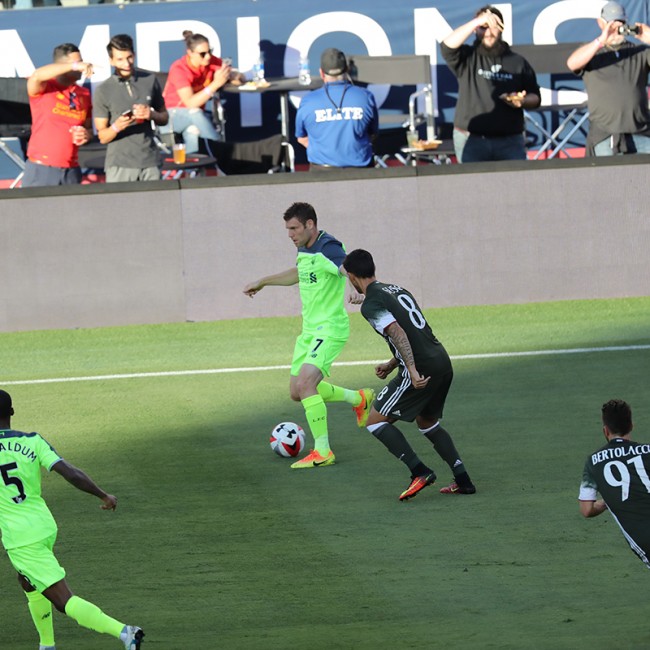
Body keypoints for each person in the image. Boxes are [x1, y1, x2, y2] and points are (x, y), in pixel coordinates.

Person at [0, 390, 144, 649]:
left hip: (21, 537)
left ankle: (125, 632)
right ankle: (47, 645)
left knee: (62, 600)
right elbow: (71, 473)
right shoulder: (32, 441)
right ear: (11, 412)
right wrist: (103, 494)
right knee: (27, 580)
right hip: (43, 526)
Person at [243, 202, 375, 468]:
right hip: (309, 331)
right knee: (297, 391)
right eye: (288, 229)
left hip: (329, 329)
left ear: (310, 224)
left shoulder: (329, 247)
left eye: (294, 228)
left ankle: (323, 451)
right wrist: (264, 281)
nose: (290, 234)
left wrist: (357, 289)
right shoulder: (304, 248)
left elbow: (346, 268)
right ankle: (358, 398)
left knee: (306, 385)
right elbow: (300, 273)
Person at [342, 249, 475, 501]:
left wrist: (411, 371)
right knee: (427, 423)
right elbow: (414, 331)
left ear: (351, 276)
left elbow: (399, 333)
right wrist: (392, 363)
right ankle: (464, 480)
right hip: (440, 360)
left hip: (421, 368)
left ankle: (420, 472)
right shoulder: (396, 290)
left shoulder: (371, 305)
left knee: (375, 421)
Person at [441, 5, 541, 163]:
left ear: (501, 29)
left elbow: (535, 97)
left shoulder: (518, 62)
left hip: (510, 141)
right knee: (473, 186)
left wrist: (521, 101)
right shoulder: (467, 57)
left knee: (516, 185)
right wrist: (477, 21)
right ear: (475, 30)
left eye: (493, 27)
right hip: (470, 138)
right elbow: (446, 46)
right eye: (483, 27)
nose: (488, 32)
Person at [566, 1, 650, 156]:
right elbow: (572, 63)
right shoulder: (593, 53)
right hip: (605, 135)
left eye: (620, 24)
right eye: (611, 25)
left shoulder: (640, 52)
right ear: (601, 23)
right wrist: (601, 40)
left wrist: (649, 37)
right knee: (607, 179)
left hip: (641, 132)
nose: (615, 30)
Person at [579, 399, 650, 569]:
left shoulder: (593, 463)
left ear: (605, 430)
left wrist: (607, 502)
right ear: (631, 425)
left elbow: (586, 509)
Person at [93, 34, 169, 183]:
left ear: (134, 55)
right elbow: (102, 136)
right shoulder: (103, 90)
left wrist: (151, 114)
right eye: (120, 59)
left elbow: (164, 117)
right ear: (111, 61)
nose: (126, 63)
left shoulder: (149, 79)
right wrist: (116, 127)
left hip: (150, 162)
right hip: (120, 165)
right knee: (120, 206)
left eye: (129, 57)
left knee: (156, 205)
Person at [22, 43, 93, 187]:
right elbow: (36, 76)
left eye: (81, 61)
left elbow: (89, 129)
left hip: (71, 170)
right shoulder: (45, 86)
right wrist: (74, 66)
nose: (82, 66)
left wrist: (86, 135)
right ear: (62, 66)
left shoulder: (83, 93)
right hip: (42, 168)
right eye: (78, 62)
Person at [162, 31, 245, 154]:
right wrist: (215, 84)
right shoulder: (179, 69)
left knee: (193, 131)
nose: (208, 56)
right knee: (195, 113)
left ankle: (193, 170)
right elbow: (190, 103)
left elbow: (241, 77)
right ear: (190, 53)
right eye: (203, 54)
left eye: (210, 51)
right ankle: (221, 151)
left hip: (195, 119)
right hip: (169, 117)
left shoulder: (210, 62)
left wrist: (232, 75)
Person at [295, 48, 379, 169]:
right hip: (361, 173)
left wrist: (325, 150)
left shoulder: (308, 101)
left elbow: (301, 138)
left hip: (321, 173)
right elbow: (373, 133)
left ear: (321, 73)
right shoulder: (365, 97)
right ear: (347, 70)